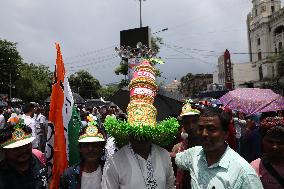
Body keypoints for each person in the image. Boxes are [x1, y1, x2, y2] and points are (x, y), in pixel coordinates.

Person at [102, 59, 178, 189]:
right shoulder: (114, 162)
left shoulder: (164, 156)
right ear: (129, 134)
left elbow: (170, 186)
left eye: (145, 135)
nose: (141, 140)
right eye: (136, 134)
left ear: (152, 134)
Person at [176, 107, 263, 189]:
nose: (204, 134)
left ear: (226, 134)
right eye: (201, 128)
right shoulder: (194, 154)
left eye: (211, 129)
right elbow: (173, 157)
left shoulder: (243, 173)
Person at [0, 120, 47, 189]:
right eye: (17, 148)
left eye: (26, 145)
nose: (23, 150)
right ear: (4, 151)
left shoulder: (39, 157)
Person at [60, 122, 106, 189]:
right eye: (86, 145)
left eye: (95, 145)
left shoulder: (111, 172)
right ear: (80, 148)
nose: (90, 149)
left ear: (102, 147)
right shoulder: (69, 175)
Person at [171, 102, 200, 189]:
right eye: (187, 123)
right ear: (183, 125)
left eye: (194, 121)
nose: (191, 126)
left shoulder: (208, 146)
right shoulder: (177, 148)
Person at [250, 116, 284, 188]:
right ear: (263, 141)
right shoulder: (255, 167)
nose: (275, 146)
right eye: (270, 142)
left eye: (280, 143)